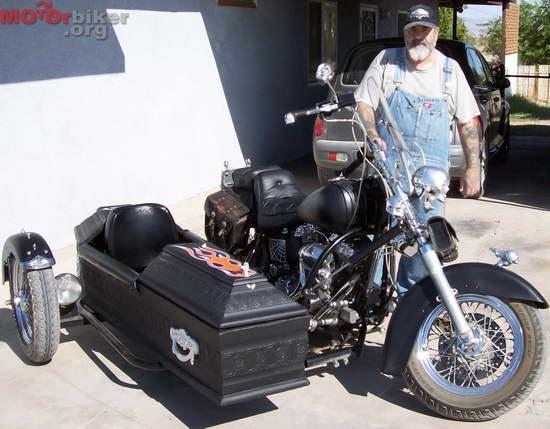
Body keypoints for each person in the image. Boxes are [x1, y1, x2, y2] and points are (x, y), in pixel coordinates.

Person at [354, 4, 481, 293]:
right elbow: (364, 102)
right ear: (405, 33)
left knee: (425, 248)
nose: (418, 36)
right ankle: (372, 299)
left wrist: (473, 167)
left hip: (429, 185)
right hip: (387, 176)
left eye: (425, 30)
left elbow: (468, 122)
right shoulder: (387, 62)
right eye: (413, 30)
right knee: (377, 244)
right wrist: (371, 133)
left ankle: (411, 304)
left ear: (435, 33)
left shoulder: (450, 71)